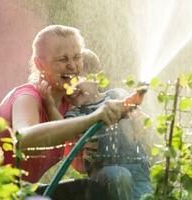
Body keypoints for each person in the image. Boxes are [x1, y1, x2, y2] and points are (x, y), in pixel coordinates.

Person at [0, 25, 125, 200]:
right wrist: (92, 118)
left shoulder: (67, 104)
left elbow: (79, 166)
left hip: (21, 192)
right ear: (40, 64)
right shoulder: (27, 97)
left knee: (91, 191)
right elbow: (24, 140)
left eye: (77, 57)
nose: (72, 65)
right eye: (62, 59)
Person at [39, 49, 152, 200]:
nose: (71, 87)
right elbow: (61, 127)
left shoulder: (116, 95)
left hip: (139, 171)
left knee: (147, 197)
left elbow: (139, 116)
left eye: (76, 79)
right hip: (104, 174)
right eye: (67, 82)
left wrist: (141, 122)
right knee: (119, 175)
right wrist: (50, 106)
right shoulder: (77, 114)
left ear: (97, 78)